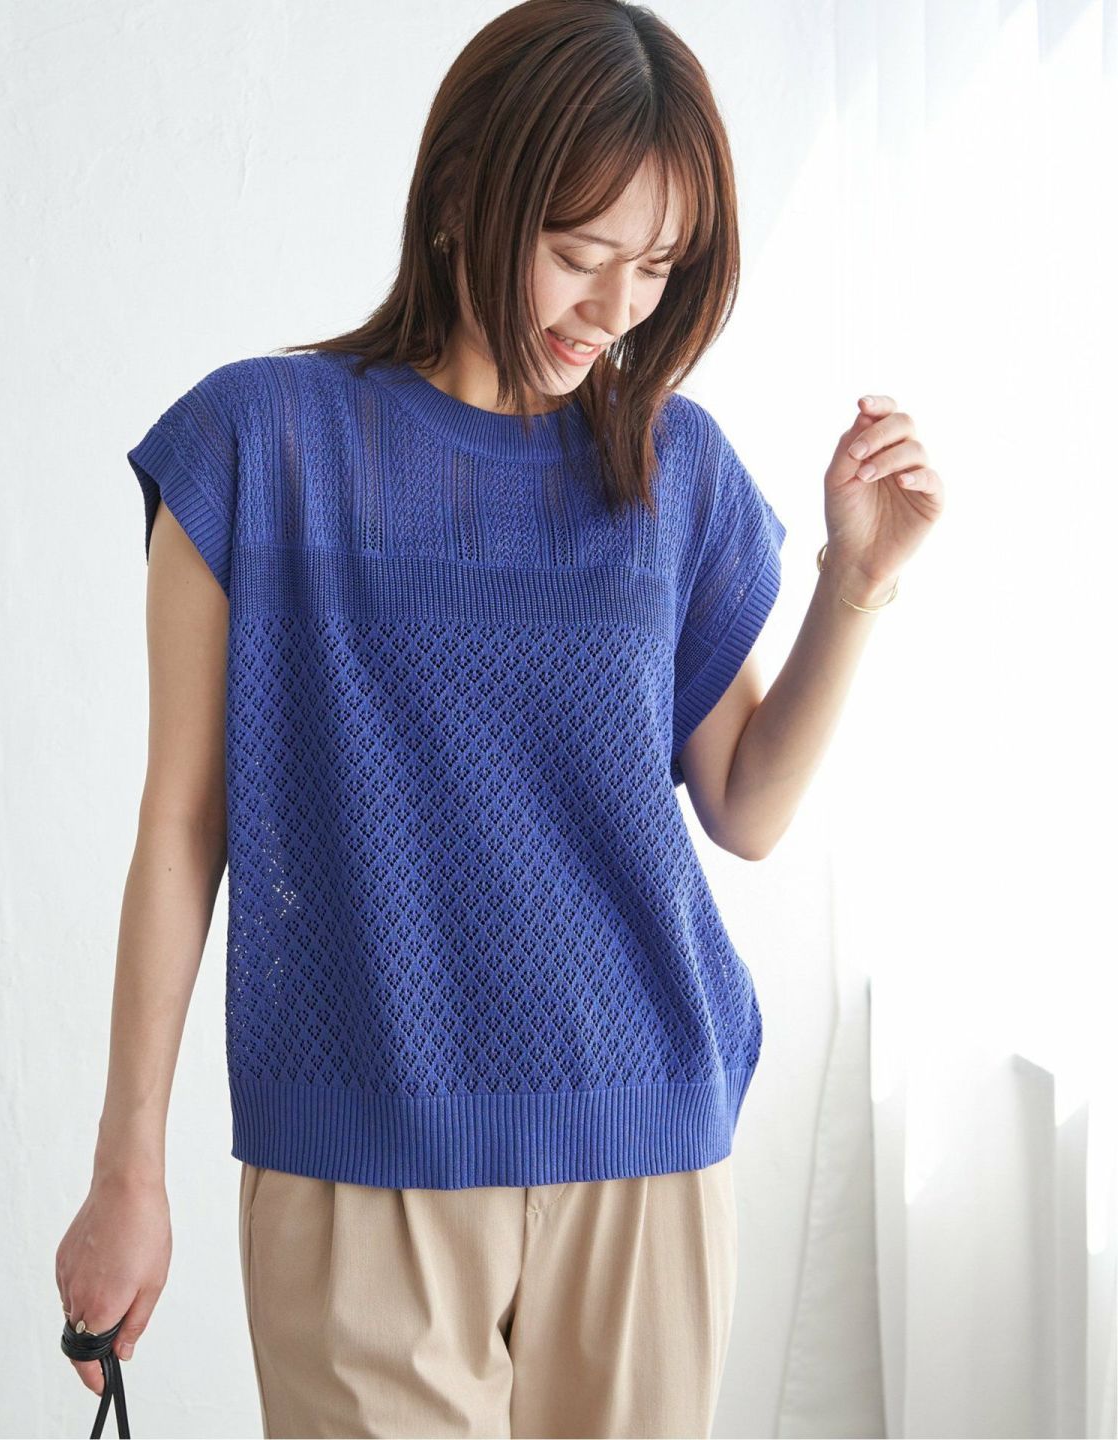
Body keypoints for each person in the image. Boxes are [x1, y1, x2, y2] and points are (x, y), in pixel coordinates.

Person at [54, 1, 942, 1435]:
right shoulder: (256, 448)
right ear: (466, 195)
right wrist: (127, 1171)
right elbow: (182, 825)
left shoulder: (670, 467)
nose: (616, 309)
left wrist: (855, 585)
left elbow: (747, 807)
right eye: (581, 254)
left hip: (643, 1147)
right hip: (361, 1161)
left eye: (657, 267)